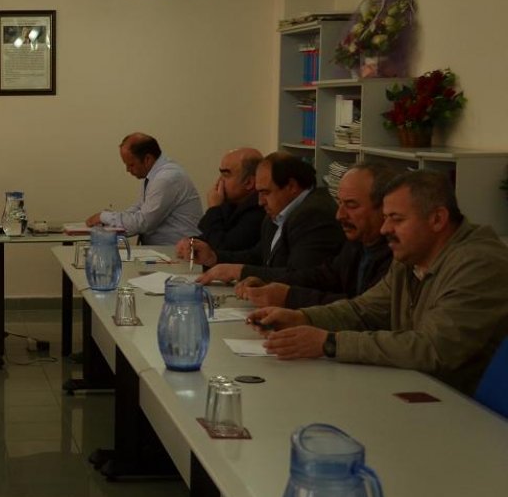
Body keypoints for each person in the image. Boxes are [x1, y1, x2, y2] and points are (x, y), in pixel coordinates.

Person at [249, 170, 508, 395]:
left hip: (466, 411)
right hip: (417, 389)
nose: (385, 229)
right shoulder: (411, 256)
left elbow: (433, 349)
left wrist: (329, 343)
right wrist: (303, 318)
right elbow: (364, 310)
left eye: (397, 219)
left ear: (437, 219)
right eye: (385, 218)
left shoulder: (479, 264)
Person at [236, 163, 396, 308]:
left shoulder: (396, 256)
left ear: (385, 208)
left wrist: (289, 297)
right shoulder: (357, 243)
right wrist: (269, 283)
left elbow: (362, 309)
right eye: (340, 203)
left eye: (351, 205)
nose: (339, 215)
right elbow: (324, 276)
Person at [191, 152, 343, 283]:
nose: (260, 201)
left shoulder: (314, 214)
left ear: (291, 186)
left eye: (266, 192)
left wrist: (240, 272)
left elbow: (300, 277)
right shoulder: (279, 210)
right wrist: (213, 257)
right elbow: (259, 256)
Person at [83, 132, 202, 245]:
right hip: (166, 249)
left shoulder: (166, 178)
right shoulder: (154, 175)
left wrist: (104, 217)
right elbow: (137, 209)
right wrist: (111, 219)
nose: (128, 170)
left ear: (147, 159)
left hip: (177, 251)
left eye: (131, 165)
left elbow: (143, 222)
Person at [177, 148, 264, 253]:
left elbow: (221, 248)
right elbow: (210, 237)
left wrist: (213, 209)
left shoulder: (259, 210)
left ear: (249, 182)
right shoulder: (231, 204)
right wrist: (190, 242)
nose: (219, 181)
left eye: (226, 175)